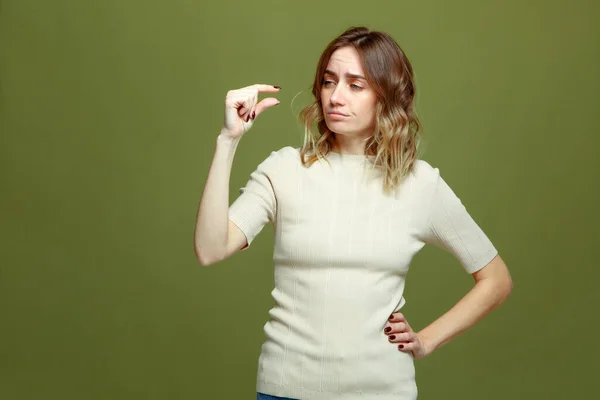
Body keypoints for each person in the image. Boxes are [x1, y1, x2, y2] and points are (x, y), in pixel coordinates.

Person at [194, 26, 512, 400]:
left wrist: (426, 341)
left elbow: (496, 279)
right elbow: (211, 249)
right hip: (286, 390)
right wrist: (228, 141)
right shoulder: (284, 170)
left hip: (382, 392)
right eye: (329, 82)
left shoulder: (419, 184)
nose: (336, 97)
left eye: (355, 85)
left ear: (386, 96)